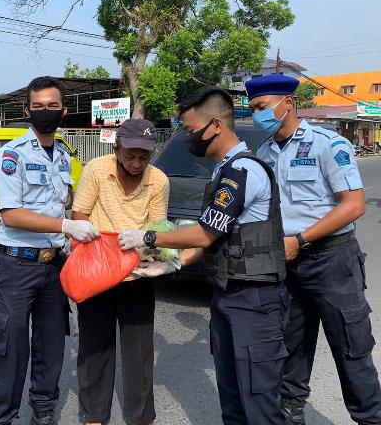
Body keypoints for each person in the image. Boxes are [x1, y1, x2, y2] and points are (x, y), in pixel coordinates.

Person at [118, 86, 288, 424]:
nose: (188, 137)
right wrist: (175, 263)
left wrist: (149, 236)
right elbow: (215, 238)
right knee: (233, 400)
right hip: (228, 294)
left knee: (260, 403)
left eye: (191, 130)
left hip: (255, 298)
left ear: (216, 126)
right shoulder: (222, 170)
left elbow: (204, 232)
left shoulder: (242, 172)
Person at [246, 74, 381, 424]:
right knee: (290, 347)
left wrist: (302, 240)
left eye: (262, 107)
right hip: (287, 263)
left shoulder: (326, 144)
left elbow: (353, 205)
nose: (257, 114)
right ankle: (291, 413)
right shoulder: (264, 152)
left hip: (330, 260)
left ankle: (369, 416)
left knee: (351, 347)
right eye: (253, 108)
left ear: (287, 103)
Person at [0, 76, 100, 425]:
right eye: (38, 107)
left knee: (52, 342)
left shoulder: (64, 155)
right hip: (17, 266)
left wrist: (69, 237)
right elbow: (12, 213)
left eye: (52, 106)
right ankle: (1, 417)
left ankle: (44, 406)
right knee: (12, 347)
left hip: (54, 266)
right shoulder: (12, 155)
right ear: (27, 111)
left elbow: (58, 205)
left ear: (63, 111)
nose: (45, 112)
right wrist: (65, 226)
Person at [70, 118, 169, 425]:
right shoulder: (97, 170)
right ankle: (94, 416)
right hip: (97, 273)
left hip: (137, 275)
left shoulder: (159, 180)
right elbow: (79, 216)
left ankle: (140, 418)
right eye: (130, 154)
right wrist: (102, 250)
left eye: (144, 156)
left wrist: (149, 255)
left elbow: (157, 229)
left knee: (139, 354)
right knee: (94, 348)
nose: (137, 162)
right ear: (116, 148)